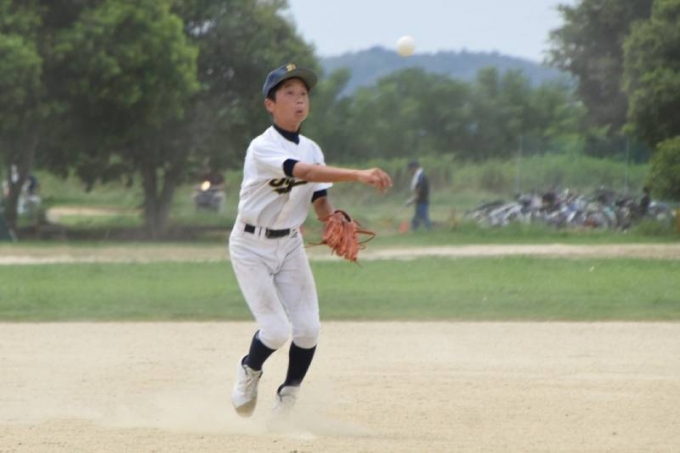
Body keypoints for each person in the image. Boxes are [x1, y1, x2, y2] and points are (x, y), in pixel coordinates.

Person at [228, 63, 392, 419]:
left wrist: (332, 219)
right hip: (250, 245)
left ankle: (288, 395)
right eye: (289, 93)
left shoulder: (312, 148)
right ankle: (249, 368)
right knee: (275, 330)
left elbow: (319, 199)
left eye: (303, 94)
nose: (299, 99)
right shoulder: (262, 147)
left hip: (289, 244)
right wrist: (358, 174)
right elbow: (303, 172)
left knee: (308, 328)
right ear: (270, 104)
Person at [405, 160, 432, 230]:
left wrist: (411, 200)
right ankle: (414, 230)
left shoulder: (420, 177)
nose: (409, 172)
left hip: (422, 201)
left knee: (424, 218)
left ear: (414, 168)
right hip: (420, 201)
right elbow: (417, 191)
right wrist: (412, 200)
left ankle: (429, 230)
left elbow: (419, 191)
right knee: (416, 218)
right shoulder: (419, 176)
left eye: (410, 169)